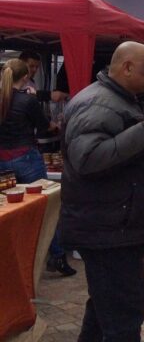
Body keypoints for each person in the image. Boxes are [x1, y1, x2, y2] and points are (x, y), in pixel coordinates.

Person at [61, 42, 144, 340]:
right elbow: (87, 158)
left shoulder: (122, 98)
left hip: (115, 225)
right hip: (109, 228)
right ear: (126, 67)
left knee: (106, 307)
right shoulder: (99, 103)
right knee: (123, 313)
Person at [0, 59, 76, 276]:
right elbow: (44, 127)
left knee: (8, 209)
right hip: (26, 157)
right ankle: (58, 256)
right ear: (25, 77)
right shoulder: (27, 101)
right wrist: (56, 126)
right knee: (46, 207)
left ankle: (12, 257)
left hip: (3, 160)